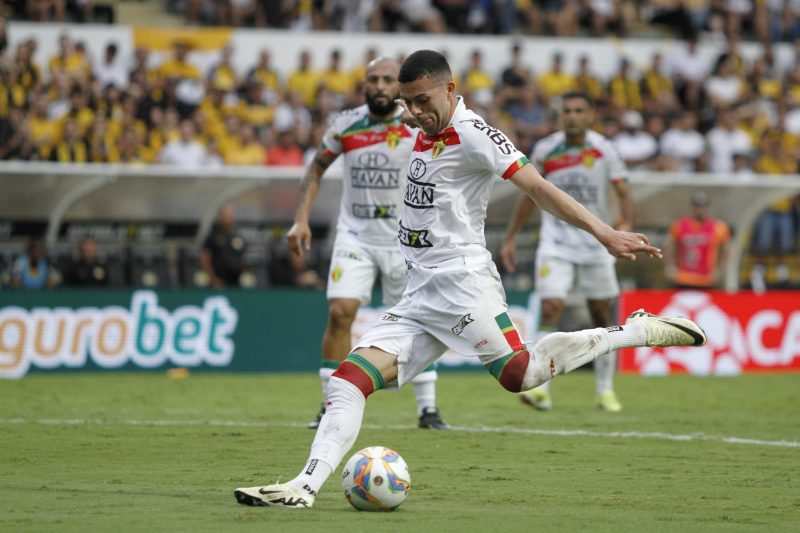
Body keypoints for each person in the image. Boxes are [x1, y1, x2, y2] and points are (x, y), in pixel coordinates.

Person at [234, 49, 706, 509]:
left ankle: (635, 331)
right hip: (419, 291)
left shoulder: (475, 133)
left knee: (521, 376)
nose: (415, 112)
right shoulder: (419, 124)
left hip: (462, 283)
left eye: (423, 101)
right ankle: (303, 487)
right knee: (348, 380)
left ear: (450, 89)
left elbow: (538, 187)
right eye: (408, 103)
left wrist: (605, 233)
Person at [286, 57, 448, 431]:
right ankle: (331, 405)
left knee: (419, 320)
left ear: (399, 86)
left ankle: (428, 408)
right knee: (341, 311)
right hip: (355, 235)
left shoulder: (417, 124)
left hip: (407, 240)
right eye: (372, 79)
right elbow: (316, 168)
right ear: (364, 85)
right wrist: (300, 219)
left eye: (387, 80)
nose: (379, 86)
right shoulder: (346, 124)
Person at [499, 90, 635, 413]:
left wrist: (625, 224)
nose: (572, 116)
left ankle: (605, 390)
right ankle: (540, 389)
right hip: (556, 243)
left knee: (601, 314)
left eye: (578, 111)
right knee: (551, 307)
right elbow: (529, 193)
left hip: (595, 243)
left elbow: (625, 193)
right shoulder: (547, 148)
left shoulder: (604, 150)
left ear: (590, 116)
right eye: (567, 111)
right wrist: (511, 237)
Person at [664, 192, 731, 290]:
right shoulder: (680, 225)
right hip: (684, 278)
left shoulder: (718, 226)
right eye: (697, 206)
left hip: (706, 279)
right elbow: (669, 245)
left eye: (702, 206)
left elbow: (727, 248)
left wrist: (719, 270)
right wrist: (670, 266)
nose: (700, 210)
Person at [200, 205, 247, 289]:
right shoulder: (213, 236)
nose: (230, 218)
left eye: (231, 215)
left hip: (236, 283)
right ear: (220, 217)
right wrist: (213, 279)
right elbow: (205, 258)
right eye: (227, 215)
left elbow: (244, 258)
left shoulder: (238, 237)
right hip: (218, 282)